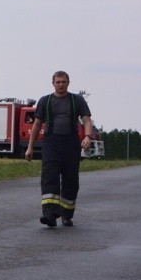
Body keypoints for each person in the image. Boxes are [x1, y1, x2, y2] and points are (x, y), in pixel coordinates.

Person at [25, 70, 93, 228]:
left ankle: (67, 215)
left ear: (68, 83)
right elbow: (36, 125)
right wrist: (30, 147)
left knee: (71, 180)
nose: (61, 85)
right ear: (53, 83)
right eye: (58, 82)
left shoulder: (77, 100)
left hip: (71, 143)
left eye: (63, 82)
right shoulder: (45, 101)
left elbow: (87, 120)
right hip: (51, 143)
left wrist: (87, 136)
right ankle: (49, 215)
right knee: (49, 177)